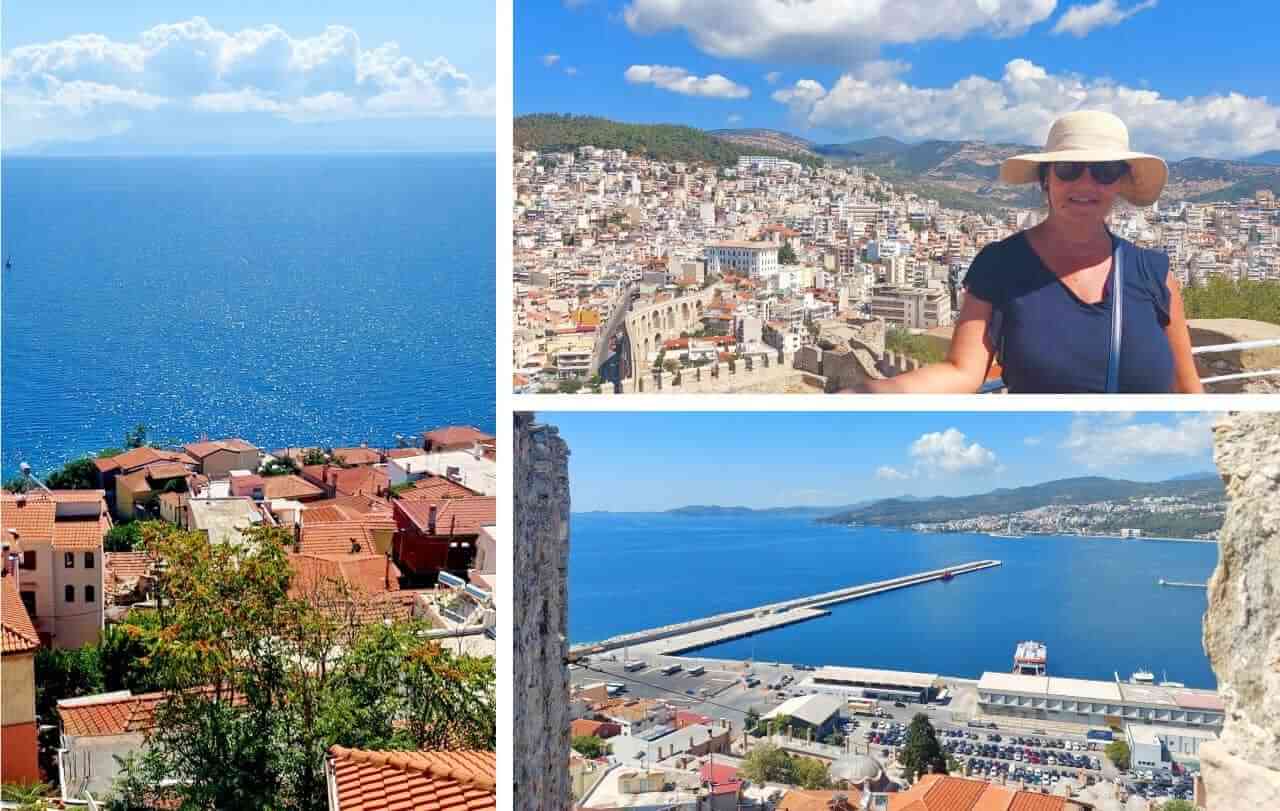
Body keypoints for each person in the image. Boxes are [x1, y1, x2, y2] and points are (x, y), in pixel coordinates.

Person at [866, 110, 1202, 394]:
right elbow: (962, 372)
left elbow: (1189, 393)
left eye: (1104, 171)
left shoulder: (1154, 274)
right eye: (1070, 170)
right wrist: (877, 393)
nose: (1086, 184)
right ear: (1046, 179)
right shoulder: (1000, 266)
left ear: (1120, 183)